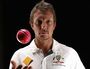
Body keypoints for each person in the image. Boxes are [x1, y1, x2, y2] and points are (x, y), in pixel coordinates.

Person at [9, 1, 85, 69]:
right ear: (32, 24)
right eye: (39, 21)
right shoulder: (19, 55)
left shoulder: (70, 54)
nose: (43, 26)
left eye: (48, 21)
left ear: (54, 25)